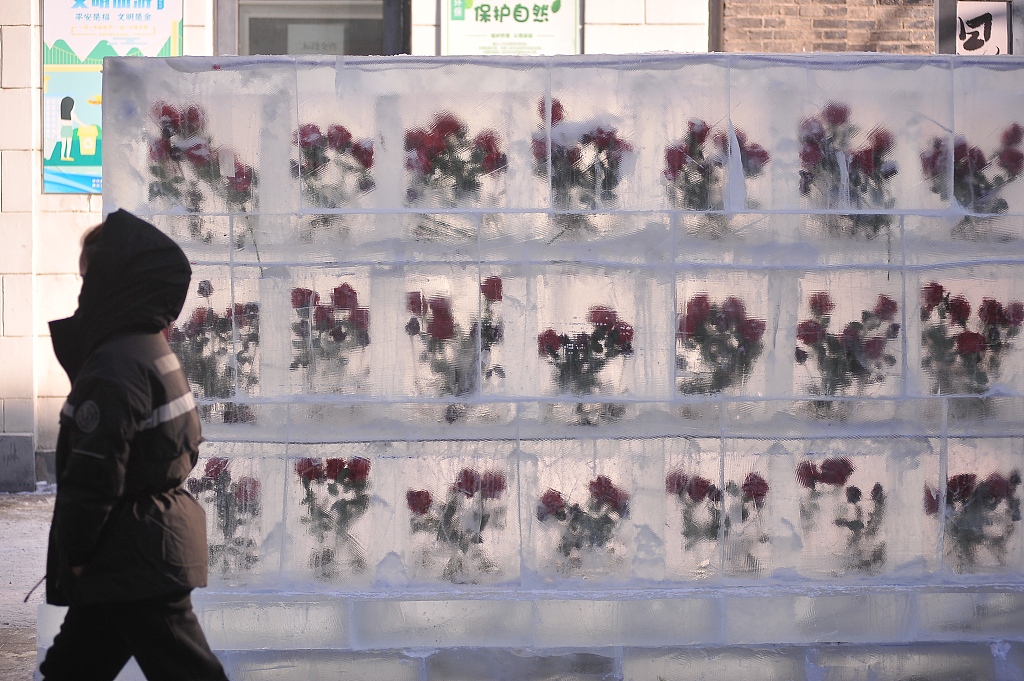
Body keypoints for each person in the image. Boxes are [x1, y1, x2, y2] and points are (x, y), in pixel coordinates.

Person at [39, 209, 229, 681]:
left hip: (131, 557)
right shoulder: (144, 347)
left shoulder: (113, 364)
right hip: (138, 550)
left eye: (89, 277)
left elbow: (94, 470)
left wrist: (77, 553)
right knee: (70, 671)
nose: (84, 290)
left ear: (111, 280)